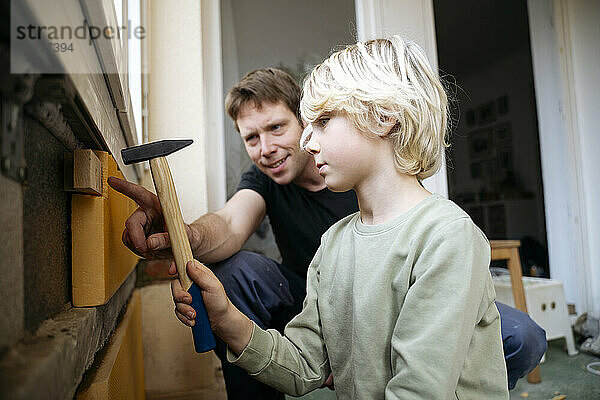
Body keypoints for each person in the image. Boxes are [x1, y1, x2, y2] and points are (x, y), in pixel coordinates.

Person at [110, 65, 544, 397]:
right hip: (311, 296)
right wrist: (184, 236)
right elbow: (227, 222)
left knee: (521, 336)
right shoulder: (282, 197)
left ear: (302, 120)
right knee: (236, 270)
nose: (266, 148)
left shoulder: (397, 201)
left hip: (395, 292)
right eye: (251, 138)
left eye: (278, 127)